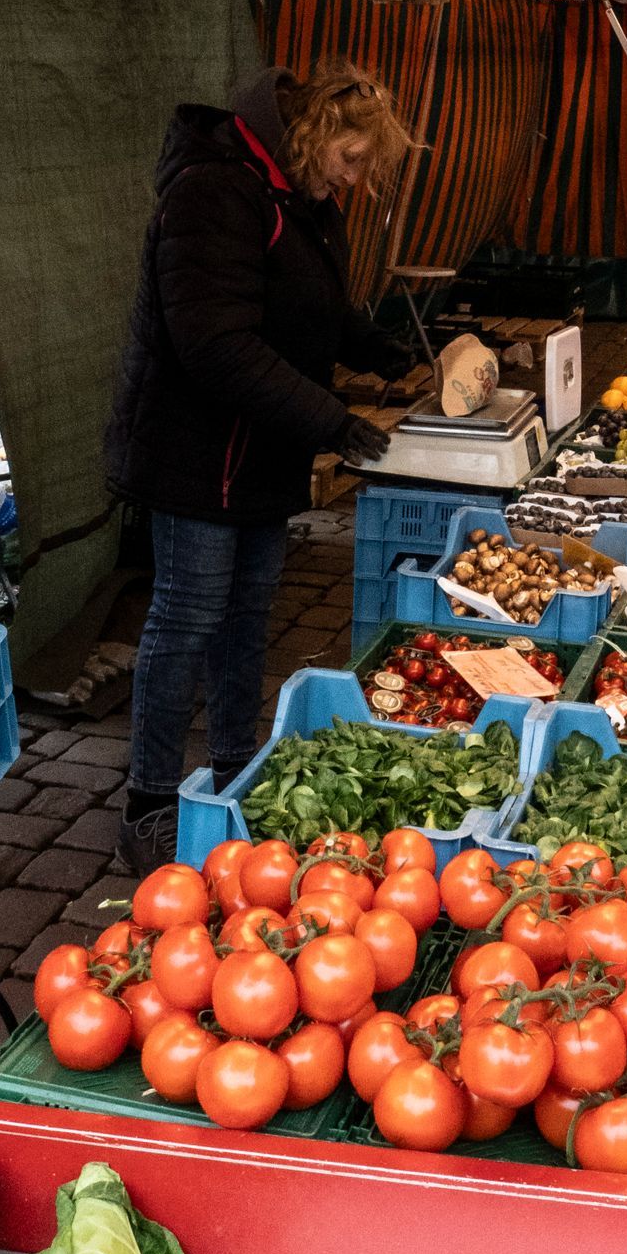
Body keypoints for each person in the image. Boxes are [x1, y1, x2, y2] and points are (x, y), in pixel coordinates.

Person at [108, 59, 417, 874]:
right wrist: (331, 420)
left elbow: (311, 305)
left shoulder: (302, 199)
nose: (353, 180)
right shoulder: (214, 191)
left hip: (262, 448)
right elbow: (216, 344)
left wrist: (375, 347)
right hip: (197, 451)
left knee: (248, 616)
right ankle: (148, 803)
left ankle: (235, 772)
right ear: (315, 133)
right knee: (187, 618)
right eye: (351, 160)